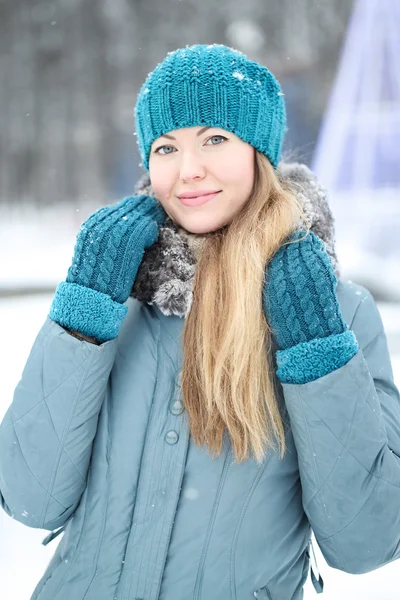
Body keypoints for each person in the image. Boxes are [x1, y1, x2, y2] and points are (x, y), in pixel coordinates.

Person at [1, 44, 400, 600]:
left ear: (259, 151)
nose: (188, 171)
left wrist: (315, 345)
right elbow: (28, 497)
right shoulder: (115, 293)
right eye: (166, 147)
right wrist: (84, 311)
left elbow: (368, 540)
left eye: (215, 139)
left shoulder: (339, 313)